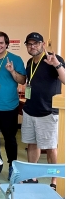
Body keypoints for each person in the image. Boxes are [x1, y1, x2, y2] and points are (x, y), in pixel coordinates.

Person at [21, 32, 65, 190]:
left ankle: (55, 180)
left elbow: (67, 80)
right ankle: (32, 177)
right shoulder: (29, 62)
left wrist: (56, 65)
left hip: (48, 111)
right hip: (30, 109)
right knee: (32, 144)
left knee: (51, 146)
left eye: (36, 43)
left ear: (43, 44)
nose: (32, 46)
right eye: (29, 44)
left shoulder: (54, 59)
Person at [0, 31, 26, 180]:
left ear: (6, 44)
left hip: (9, 107)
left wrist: (12, 71)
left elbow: (22, 80)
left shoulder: (15, 59)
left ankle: (12, 167)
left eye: (1, 43)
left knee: (10, 139)